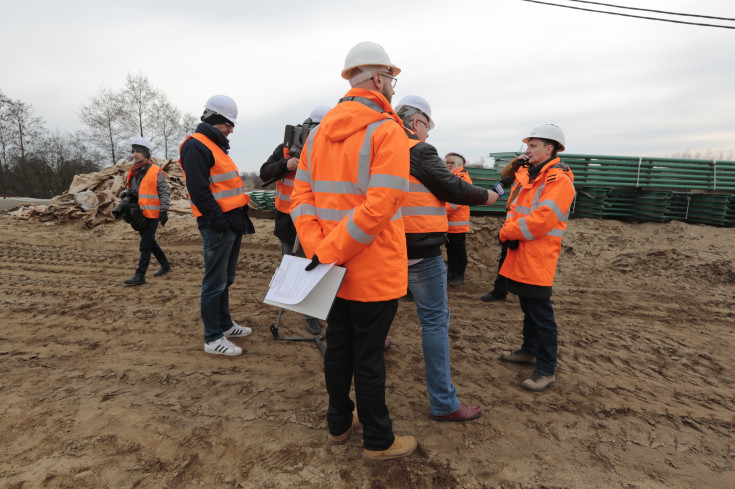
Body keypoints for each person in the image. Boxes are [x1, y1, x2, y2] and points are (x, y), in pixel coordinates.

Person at [290, 41, 416, 460]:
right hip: (372, 269)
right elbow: (381, 206)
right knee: (368, 357)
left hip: (328, 266)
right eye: (392, 79)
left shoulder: (318, 133)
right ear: (378, 78)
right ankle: (379, 440)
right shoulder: (387, 130)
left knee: (339, 346)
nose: (394, 88)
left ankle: (339, 424)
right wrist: (333, 252)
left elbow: (301, 199)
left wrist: (321, 250)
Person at [394, 95, 505, 422]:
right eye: (427, 127)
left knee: (376, 317)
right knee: (434, 322)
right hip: (421, 249)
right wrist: (490, 196)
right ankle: (443, 402)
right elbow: (452, 188)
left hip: (385, 247)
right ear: (417, 123)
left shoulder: (377, 146)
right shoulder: (418, 149)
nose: (428, 135)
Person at [498, 124, 574, 392]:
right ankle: (529, 350)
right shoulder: (534, 176)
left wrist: (507, 231)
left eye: (532, 146)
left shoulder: (558, 180)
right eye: (527, 145)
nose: (526, 150)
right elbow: (515, 205)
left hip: (538, 255)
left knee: (541, 313)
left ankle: (546, 369)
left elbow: (541, 221)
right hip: (523, 252)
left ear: (549, 149)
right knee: (528, 307)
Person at [179, 95, 255, 357]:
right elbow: (198, 191)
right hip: (217, 225)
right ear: (214, 119)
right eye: (228, 124)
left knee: (226, 279)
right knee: (214, 282)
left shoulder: (214, 145)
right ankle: (212, 337)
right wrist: (219, 222)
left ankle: (224, 324)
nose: (231, 129)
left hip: (230, 222)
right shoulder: (196, 146)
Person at [259, 106, 330, 335]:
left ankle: (317, 310)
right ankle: (308, 313)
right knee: (293, 265)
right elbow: (265, 172)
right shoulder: (285, 150)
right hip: (288, 219)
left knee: (318, 266)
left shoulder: (333, 149)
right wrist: (285, 165)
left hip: (319, 220)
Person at [118, 137, 171, 286]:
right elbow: (132, 190)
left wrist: (164, 211)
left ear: (146, 153)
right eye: (133, 151)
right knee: (150, 242)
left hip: (152, 215)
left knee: (145, 245)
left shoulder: (156, 172)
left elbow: (164, 193)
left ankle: (140, 275)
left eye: (138, 151)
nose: (135, 154)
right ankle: (165, 264)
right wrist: (126, 193)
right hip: (137, 214)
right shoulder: (133, 171)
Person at [481, 157, 525, 302]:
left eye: (532, 146)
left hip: (528, 221)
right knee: (505, 256)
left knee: (527, 258)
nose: (528, 151)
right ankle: (500, 291)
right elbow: (504, 176)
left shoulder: (543, 173)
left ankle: (530, 293)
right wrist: (515, 162)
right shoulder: (521, 168)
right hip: (512, 217)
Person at [444, 152, 473, 287]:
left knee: (458, 249)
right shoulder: (451, 177)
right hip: (449, 222)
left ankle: (459, 275)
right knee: (450, 248)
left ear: (459, 164)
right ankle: (452, 272)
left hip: (457, 222)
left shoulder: (462, 178)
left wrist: (443, 211)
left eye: (451, 163)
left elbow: (459, 199)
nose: (448, 165)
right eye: (447, 162)